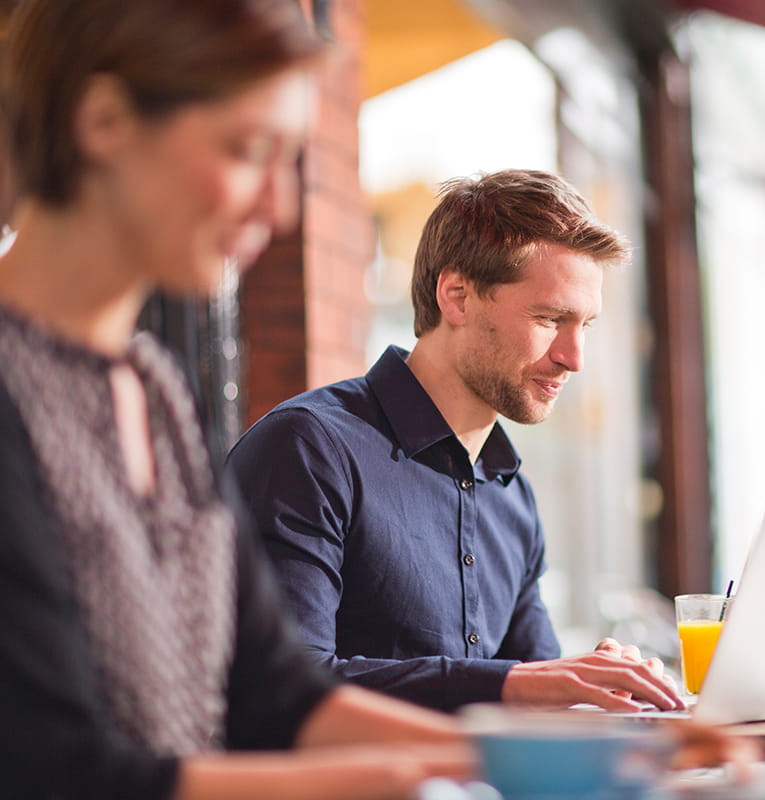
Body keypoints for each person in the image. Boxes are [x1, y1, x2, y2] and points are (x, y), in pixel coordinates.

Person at [0, 1, 481, 798]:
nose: (278, 208)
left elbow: (277, 698)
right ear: (105, 118)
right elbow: (57, 771)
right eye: (248, 150)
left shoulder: (156, 391)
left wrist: (560, 755)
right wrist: (401, 779)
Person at [226, 169, 687, 713]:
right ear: (457, 297)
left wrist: (598, 686)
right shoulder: (308, 448)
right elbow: (279, 691)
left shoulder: (511, 494)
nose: (573, 356)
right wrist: (511, 685)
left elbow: (536, 692)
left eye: (585, 325)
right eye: (550, 318)